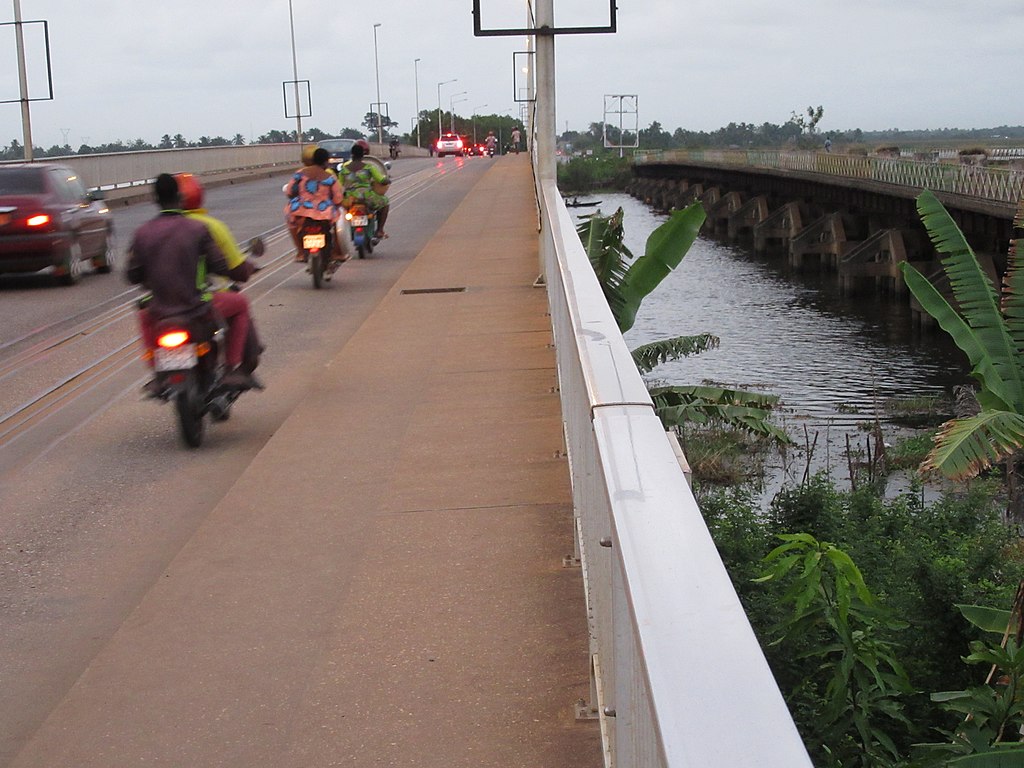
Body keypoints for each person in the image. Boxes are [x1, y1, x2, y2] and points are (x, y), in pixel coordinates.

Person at [127, 173, 257, 391]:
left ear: (155, 200)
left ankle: (158, 373)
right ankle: (232, 368)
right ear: (179, 198)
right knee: (241, 304)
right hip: (197, 307)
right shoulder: (197, 229)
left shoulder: (142, 233)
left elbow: (132, 275)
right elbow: (221, 266)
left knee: (142, 314)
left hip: (159, 309)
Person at [284, 146, 348, 268]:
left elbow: (289, 191)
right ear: (326, 161)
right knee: (336, 225)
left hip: (301, 209)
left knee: (291, 222)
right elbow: (338, 198)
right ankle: (336, 252)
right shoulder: (329, 177)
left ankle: (300, 252)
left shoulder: (299, 174)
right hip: (324, 210)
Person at [338, 139, 391, 239]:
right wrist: (387, 180)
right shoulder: (369, 167)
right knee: (385, 202)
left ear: (351, 155)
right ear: (363, 156)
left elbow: (339, 186)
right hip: (367, 198)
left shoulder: (344, 170)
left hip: (350, 199)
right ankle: (380, 230)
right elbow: (381, 179)